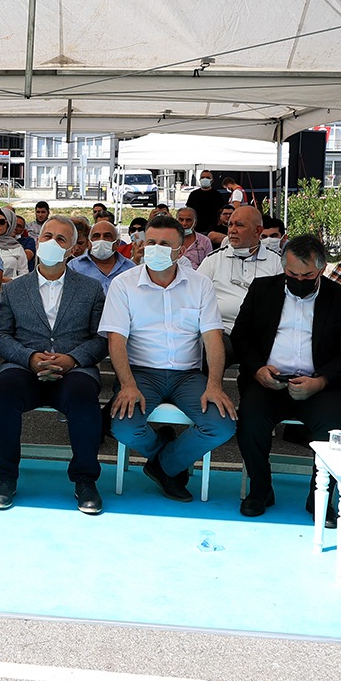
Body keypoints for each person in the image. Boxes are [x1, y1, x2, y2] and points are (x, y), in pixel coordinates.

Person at [100, 214, 236, 502]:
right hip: (141, 374)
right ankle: (170, 463)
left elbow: (212, 338)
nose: (155, 248)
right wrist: (126, 385)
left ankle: (163, 466)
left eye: (164, 243)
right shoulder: (123, 285)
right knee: (124, 427)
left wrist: (215, 385)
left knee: (222, 425)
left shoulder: (200, 285)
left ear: (181, 251)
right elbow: (116, 341)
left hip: (187, 375)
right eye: (150, 242)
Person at [231, 234, 341, 518]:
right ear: (283, 268)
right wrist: (258, 369)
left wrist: (321, 381)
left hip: (321, 385)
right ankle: (260, 489)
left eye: (307, 275)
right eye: (292, 274)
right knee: (250, 423)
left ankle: (319, 497)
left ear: (322, 269)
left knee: (336, 431)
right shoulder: (262, 290)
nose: (298, 279)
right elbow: (241, 337)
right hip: (269, 382)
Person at [0, 216, 108, 513]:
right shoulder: (15, 289)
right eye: (47, 237)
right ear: (37, 240)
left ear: (72, 250)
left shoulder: (91, 289)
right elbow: (1, 336)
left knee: (83, 397)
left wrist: (72, 359)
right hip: (25, 367)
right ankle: (5, 477)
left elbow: (101, 338)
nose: (52, 243)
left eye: (61, 240)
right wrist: (28, 357)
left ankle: (85, 480)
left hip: (74, 369)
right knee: (4, 392)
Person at [195, 206, 283, 362]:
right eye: (230, 225)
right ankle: (212, 386)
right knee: (208, 350)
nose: (232, 230)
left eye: (239, 225)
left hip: (261, 335)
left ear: (257, 231)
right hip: (223, 332)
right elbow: (193, 296)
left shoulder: (276, 262)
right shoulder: (213, 259)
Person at [68, 217, 134, 288]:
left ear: (117, 243)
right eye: (96, 236)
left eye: (107, 236)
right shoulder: (74, 267)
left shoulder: (130, 268)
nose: (101, 240)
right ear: (89, 242)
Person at [0, 205, 28, 281]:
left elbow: (24, 274)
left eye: (2, 222)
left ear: (10, 224)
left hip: (10, 288)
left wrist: (10, 279)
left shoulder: (17, 248)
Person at [185, 170, 224, 238]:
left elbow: (221, 211)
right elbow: (188, 211)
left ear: (212, 180)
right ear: (200, 179)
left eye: (207, 177)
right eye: (203, 177)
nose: (205, 179)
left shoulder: (217, 195)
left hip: (212, 230)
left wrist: (218, 224)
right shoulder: (193, 194)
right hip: (195, 229)